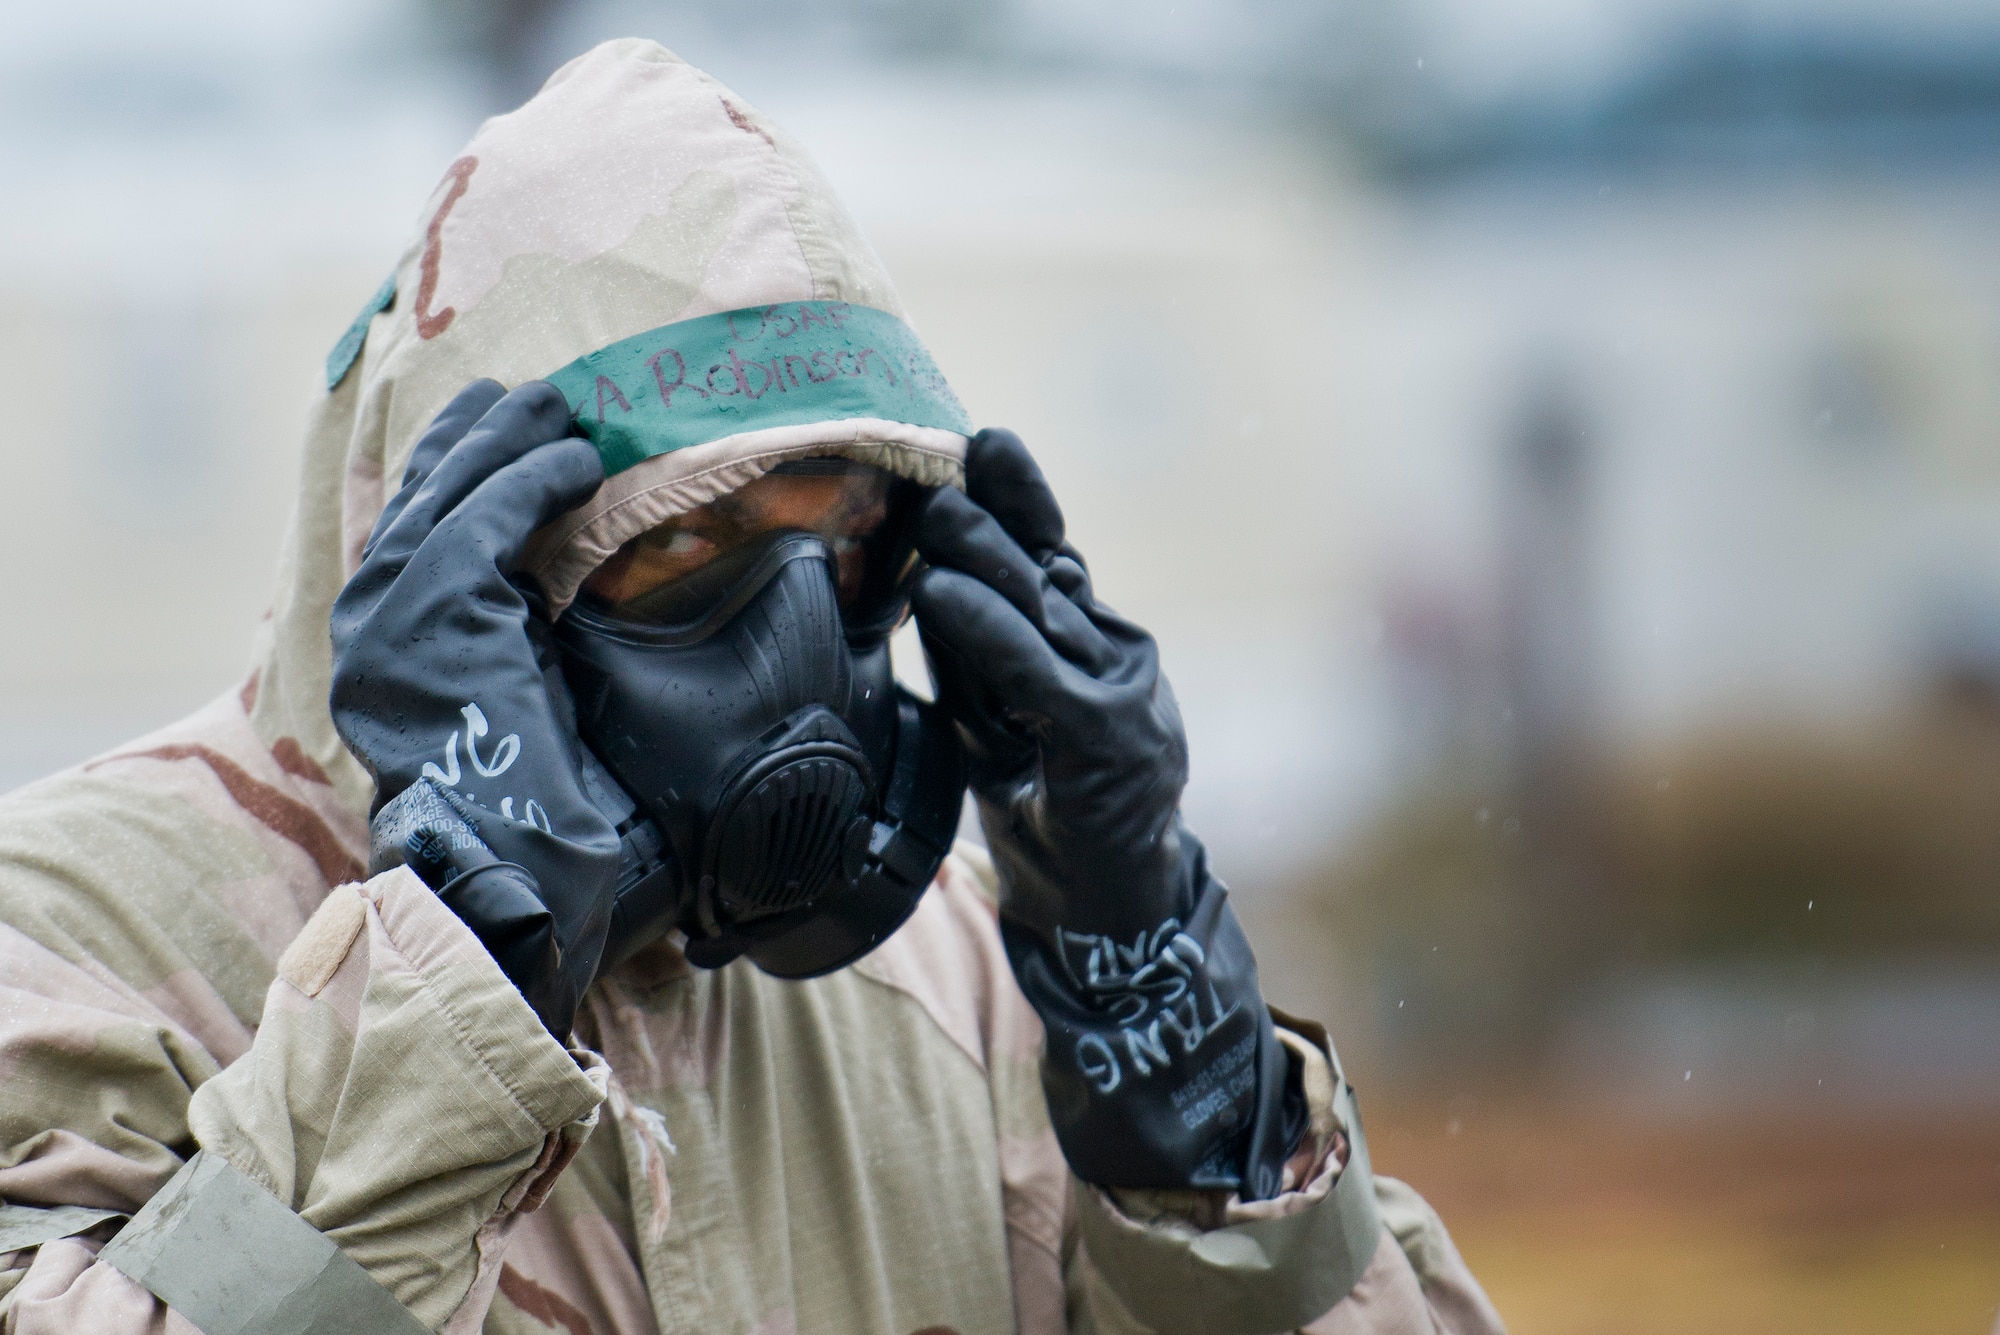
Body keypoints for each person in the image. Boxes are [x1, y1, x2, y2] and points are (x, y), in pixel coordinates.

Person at [0, 39, 1503, 1335]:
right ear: (458, 559)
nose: (793, 649)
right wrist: (450, 977)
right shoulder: (73, 936)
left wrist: (1174, 1051)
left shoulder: (980, 990)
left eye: (846, 536)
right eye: (690, 542)